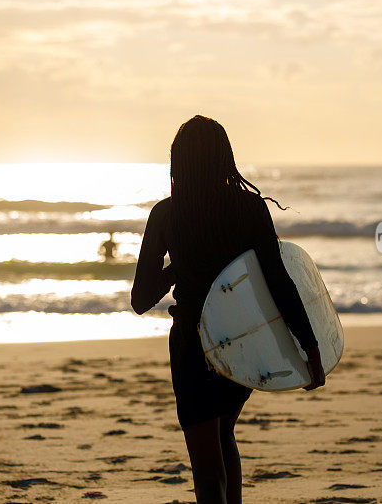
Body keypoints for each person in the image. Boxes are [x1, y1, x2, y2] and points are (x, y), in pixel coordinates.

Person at [131, 115, 324, 504]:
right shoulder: (249, 209)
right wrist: (312, 350)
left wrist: (175, 271)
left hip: (193, 346)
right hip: (242, 341)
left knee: (206, 467)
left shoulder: (166, 214)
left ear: (178, 160)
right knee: (223, 435)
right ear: (224, 157)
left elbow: (140, 300)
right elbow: (279, 281)